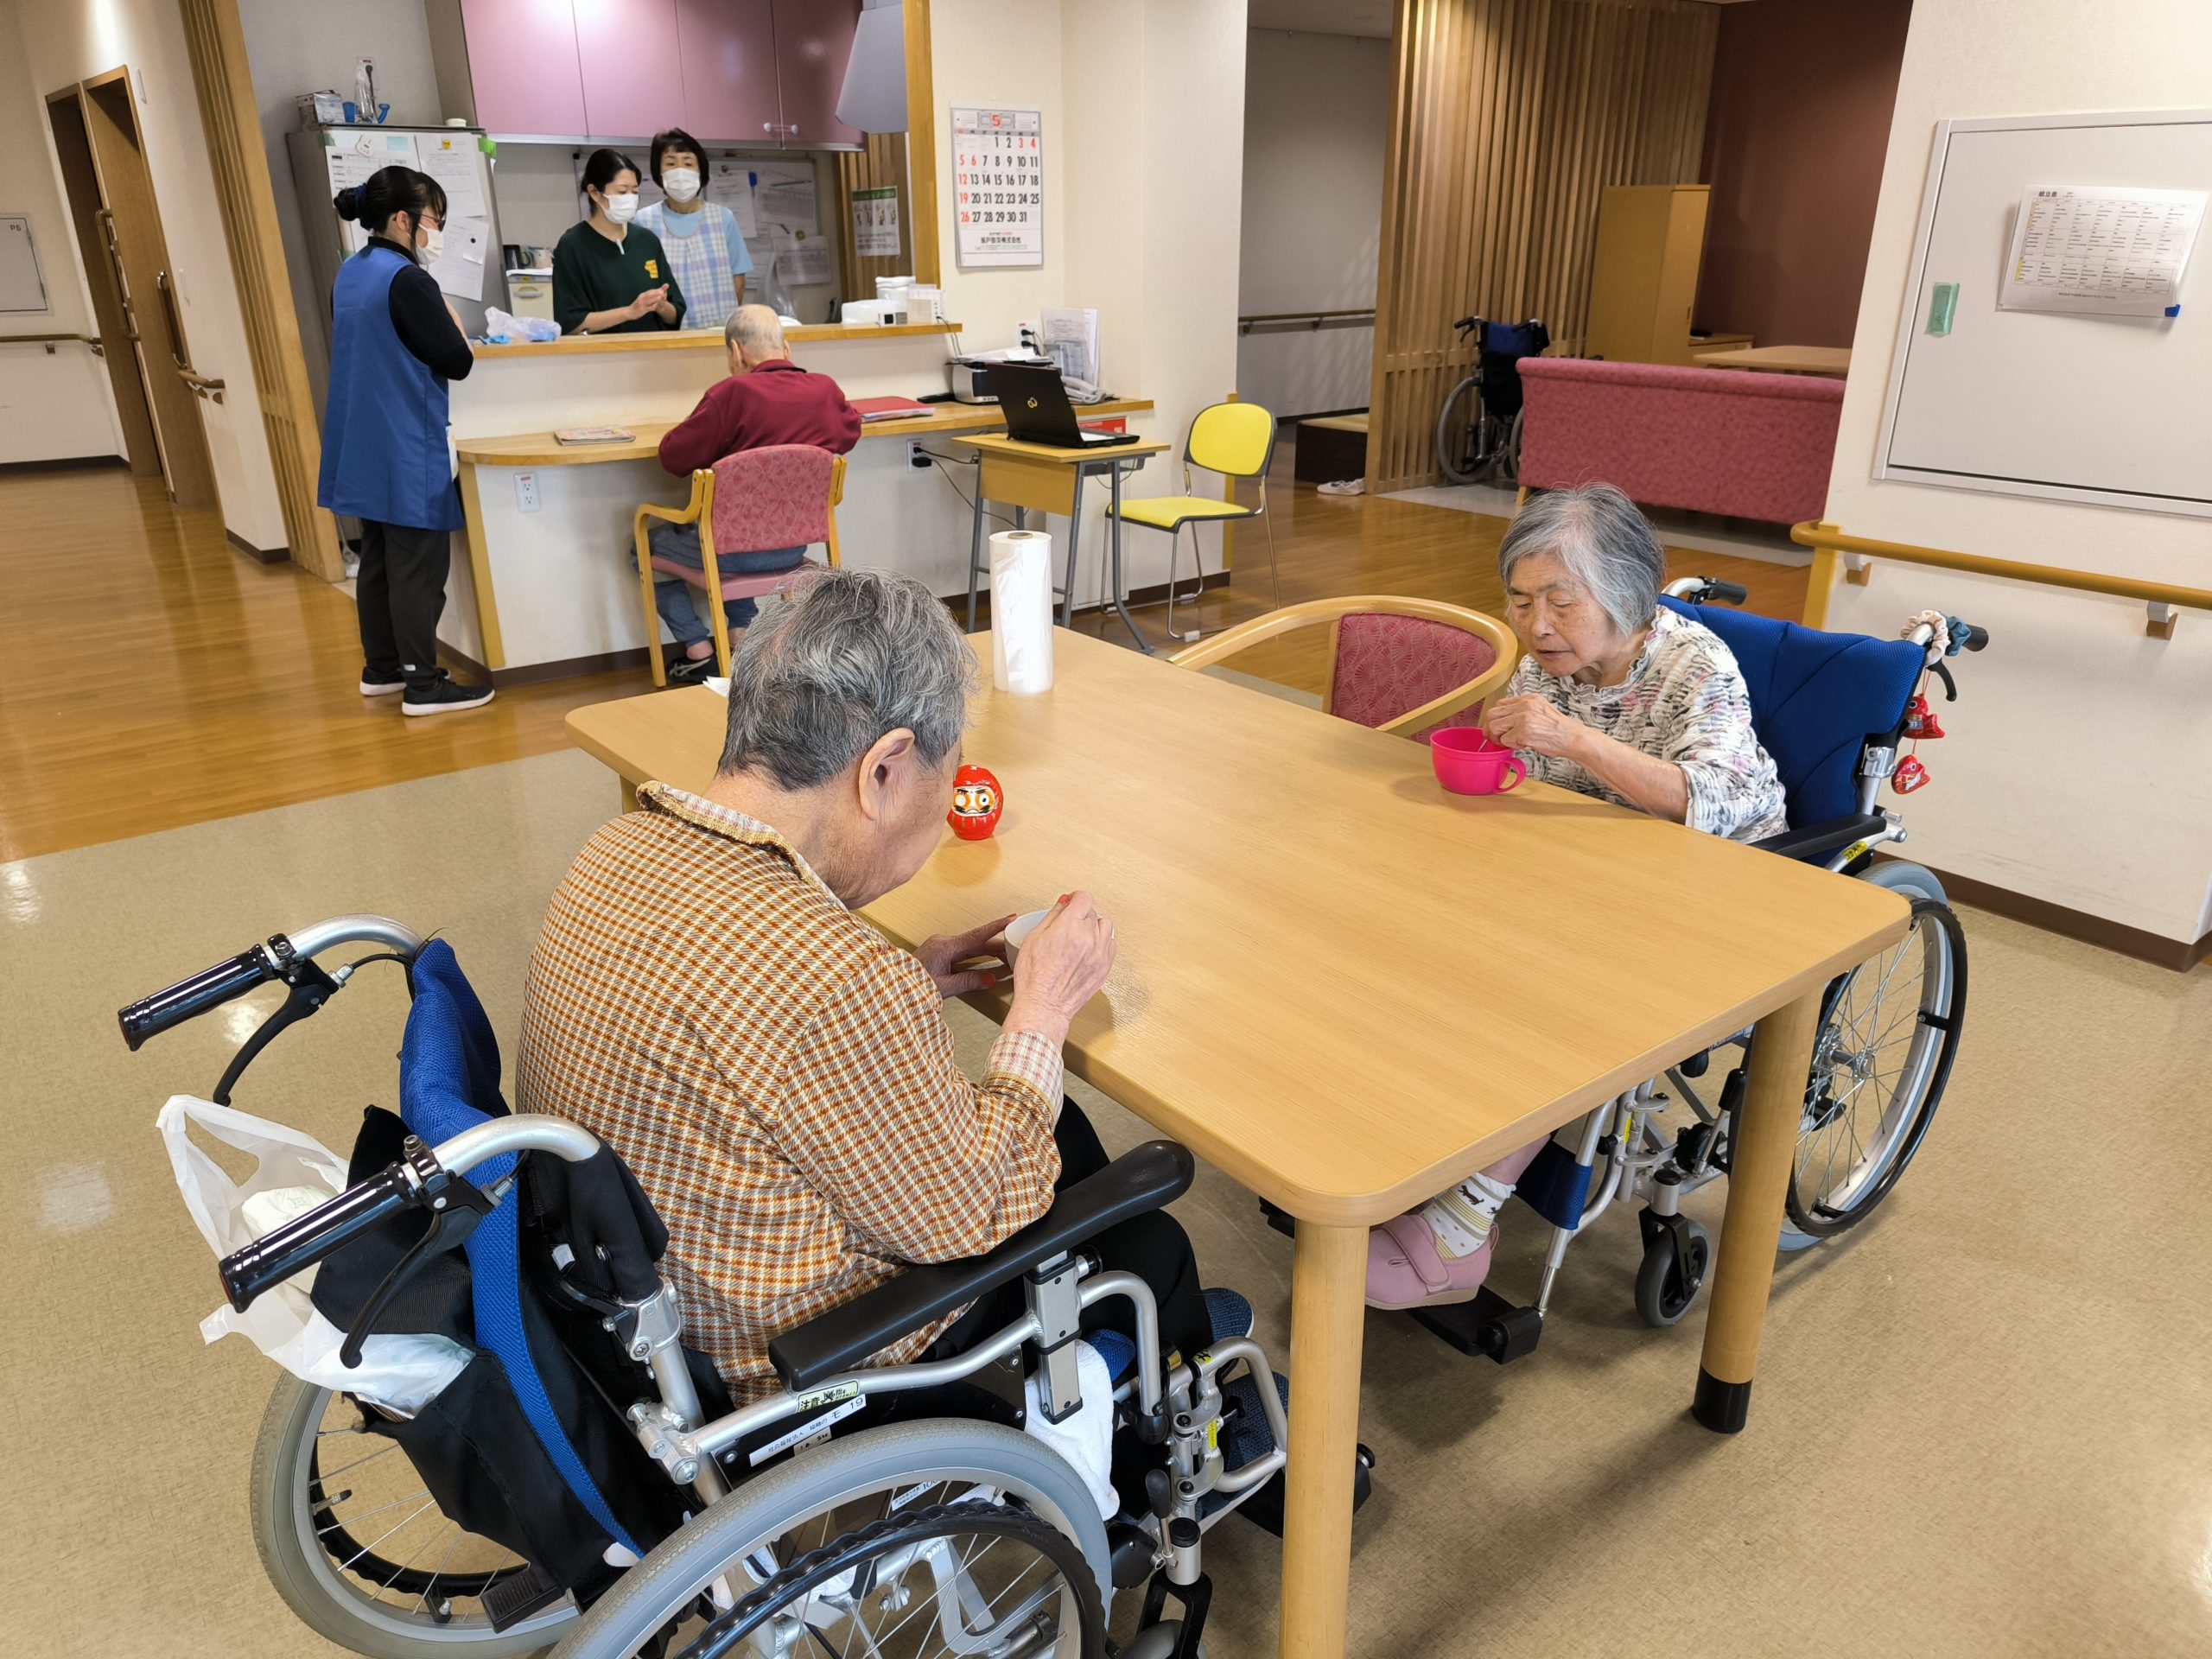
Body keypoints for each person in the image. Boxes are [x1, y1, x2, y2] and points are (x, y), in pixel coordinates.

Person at [515, 570, 1216, 1405]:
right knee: (1153, 1243)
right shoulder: (832, 978)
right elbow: (974, 1209)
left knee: (1065, 1136)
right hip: (796, 1364)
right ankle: (1181, 1410)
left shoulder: (618, 848)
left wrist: (909, 983)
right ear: (884, 769)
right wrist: (1043, 1007)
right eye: (944, 785)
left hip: (642, 1306)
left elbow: (745, 1029)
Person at [1366, 482, 1787, 1309]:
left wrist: (1573, 739)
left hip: (1721, 889)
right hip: (1592, 873)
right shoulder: (1547, 665)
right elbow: (1535, 777)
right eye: (1521, 601)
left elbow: (1710, 800)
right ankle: (1418, 1137)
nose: (1537, 626)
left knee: (1561, 997)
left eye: (1561, 602)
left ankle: (1465, 1221)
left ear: (1625, 596)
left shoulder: (1695, 666)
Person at [318, 165, 494, 716]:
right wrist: (448, 311)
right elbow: (458, 361)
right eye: (434, 221)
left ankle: (383, 669)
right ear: (403, 219)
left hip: (362, 440)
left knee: (377, 559)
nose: (436, 233)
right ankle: (423, 683)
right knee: (417, 567)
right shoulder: (409, 280)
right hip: (406, 440)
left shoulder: (351, 272)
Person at [643, 305, 862, 681]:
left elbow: (672, 457)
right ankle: (742, 635)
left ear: (736, 351)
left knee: (646, 545)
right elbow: (849, 434)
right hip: (793, 548)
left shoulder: (731, 394)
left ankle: (698, 649)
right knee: (736, 524)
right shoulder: (825, 390)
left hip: (731, 552)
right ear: (786, 348)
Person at [551, 149, 686, 336]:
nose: (630, 198)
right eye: (622, 191)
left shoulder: (646, 240)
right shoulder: (572, 245)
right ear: (595, 193)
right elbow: (571, 323)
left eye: (635, 191)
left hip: (653, 349)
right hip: (604, 352)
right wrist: (629, 312)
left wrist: (662, 306)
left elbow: (675, 314)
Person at [633, 127, 752, 333]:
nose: (680, 171)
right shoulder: (643, 221)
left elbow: (738, 280)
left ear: (700, 171)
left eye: (688, 163)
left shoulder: (723, 218)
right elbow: (639, 282)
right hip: (667, 333)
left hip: (718, 331)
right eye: (671, 163)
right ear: (659, 172)